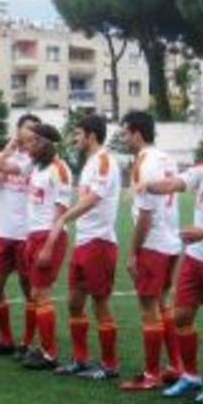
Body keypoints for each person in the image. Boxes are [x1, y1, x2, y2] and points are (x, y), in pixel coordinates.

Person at [136, 119, 203, 403]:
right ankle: (191, 376)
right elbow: (174, 183)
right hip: (194, 259)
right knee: (182, 316)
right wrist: (148, 185)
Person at [45, 115, 121, 379]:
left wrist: (64, 217)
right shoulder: (89, 163)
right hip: (83, 241)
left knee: (100, 302)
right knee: (75, 302)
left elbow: (93, 198)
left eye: (78, 134)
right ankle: (81, 359)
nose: (75, 139)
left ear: (91, 135)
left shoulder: (104, 161)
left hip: (99, 242)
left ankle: (110, 365)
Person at [120, 111, 183, 391]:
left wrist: (133, 253)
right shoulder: (166, 158)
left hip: (153, 244)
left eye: (125, 133)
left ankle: (151, 374)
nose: (124, 139)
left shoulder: (145, 163)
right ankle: (176, 365)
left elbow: (145, 215)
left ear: (136, 133)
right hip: (171, 242)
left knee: (149, 309)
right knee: (163, 304)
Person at [0, 114, 39, 358]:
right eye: (25, 129)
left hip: (27, 234)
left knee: (29, 289)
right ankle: (6, 339)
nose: (28, 134)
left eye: (33, 130)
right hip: (3, 233)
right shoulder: (6, 156)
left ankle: (28, 341)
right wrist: (6, 149)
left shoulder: (36, 161)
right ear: (18, 131)